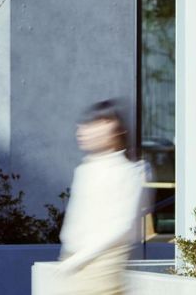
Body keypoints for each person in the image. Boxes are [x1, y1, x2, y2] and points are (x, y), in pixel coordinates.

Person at [56, 100, 145, 295]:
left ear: (115, 129)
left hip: (102, 268)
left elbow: (122, 226)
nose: (84, 130)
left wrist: (78, 258)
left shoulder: (127, 171)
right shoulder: (85, 169)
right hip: (74, 266)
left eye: (97, 124)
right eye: (86, 125)